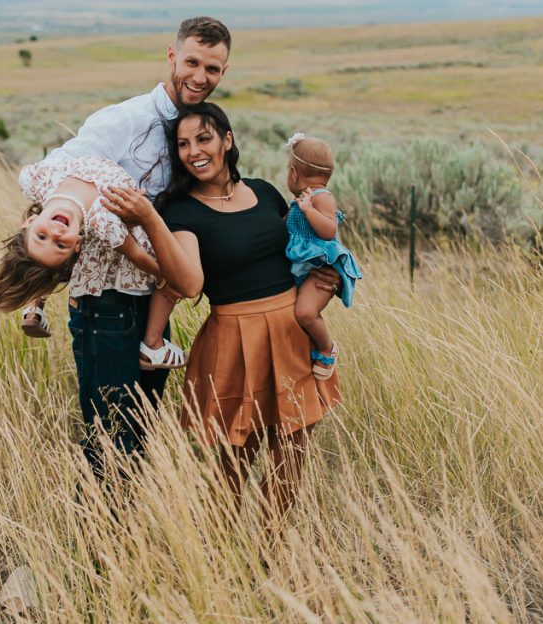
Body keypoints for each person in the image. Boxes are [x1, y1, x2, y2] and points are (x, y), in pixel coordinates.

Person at [102, 103, 342, 519]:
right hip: (236, 339)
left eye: (203, 138)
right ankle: (222, 551)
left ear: (227, 140)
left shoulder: (265, 191)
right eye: (183, 144)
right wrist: (150, 218)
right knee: (234, 463)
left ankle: (271, 550)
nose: (193, 151)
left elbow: (304, 247)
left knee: (291, 461)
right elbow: (189, 282)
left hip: (292, 333)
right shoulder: (182, 212)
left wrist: (331, 273)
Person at [24, 16, 232, 468]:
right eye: (192, 62)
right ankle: (94, 516)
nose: (200, 77)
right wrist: (60, 228)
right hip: (106, 304)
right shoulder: (125, 119)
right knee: (110, 442)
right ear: (172, 55)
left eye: (212, 69)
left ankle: (126, 517)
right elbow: (56, 171)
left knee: (137, 438)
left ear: (224, 72)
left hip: (153, 303)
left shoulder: (195, 132)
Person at [0, 154, 188, 372]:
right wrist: (166, 275)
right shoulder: (104, 220)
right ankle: (152, 345)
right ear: (78, 244)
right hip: (130, 267)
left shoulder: (40, 181)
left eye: (41, 236)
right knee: (170, 283)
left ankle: (35, 304)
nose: (55, 233)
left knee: (42, 265)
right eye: (61, 245)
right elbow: (136, 254)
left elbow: (30, 178)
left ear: (29, 221)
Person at [285, 132, 362, 380]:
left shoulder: (322, 198)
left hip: (321, 266)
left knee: (305, 312)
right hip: (304, 266)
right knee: (293, 312)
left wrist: (308, 210)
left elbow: (329, 231)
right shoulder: (302, 199)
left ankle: (327, 348)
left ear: (294, 173)